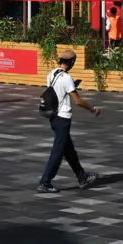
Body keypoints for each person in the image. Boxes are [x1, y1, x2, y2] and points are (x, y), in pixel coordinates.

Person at [38, 49, 101, 193]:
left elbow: (57, 91)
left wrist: (71, 86)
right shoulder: (66, 78)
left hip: (53, 116)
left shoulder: (51, 74)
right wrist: (93, 109)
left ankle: (82, 177)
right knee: (58, 151)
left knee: (69, 150)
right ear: (72, 62)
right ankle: (45, 182)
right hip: (63, 118)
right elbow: (78, 101)